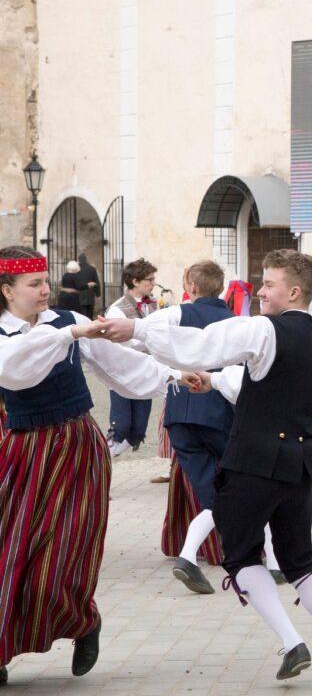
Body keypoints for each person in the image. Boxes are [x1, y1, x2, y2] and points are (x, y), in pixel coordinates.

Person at [98, 250, 312, 688]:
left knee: (239, 557)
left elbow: (203, 342)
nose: (260, 291)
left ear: (293, 291)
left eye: (269, 283)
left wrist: (139, 327)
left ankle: (292, 641)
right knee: (301, 562)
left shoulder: (263, 329)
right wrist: (214, 380)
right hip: (295, 464)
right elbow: (255, 382)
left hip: (252, 463)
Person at [0, 245, 195, 686]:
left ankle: (83, 621)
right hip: (22, 451)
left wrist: (171, 377)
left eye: (47, 281)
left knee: (61, 554)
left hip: (74, 448)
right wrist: (72, 335)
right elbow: (15, 370)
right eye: (35, 284)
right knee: (9, 553)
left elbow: (120, 365)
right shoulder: (23, 334)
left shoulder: (68, 323)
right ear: (7, 290)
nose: (46, 290)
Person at [147, 261, 237, 595]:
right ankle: (268, 561)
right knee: (242, 481)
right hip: (217, 411)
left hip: (179, 414)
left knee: (211, 489)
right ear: (220, 288)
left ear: (192, 286)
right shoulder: (233, 321)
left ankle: (189, 555)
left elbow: (146, 343)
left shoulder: (175, 316)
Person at [104, 258, 160, 457]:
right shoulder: (117, 309)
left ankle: (109, 457)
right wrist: (146, 339)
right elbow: (114, 342)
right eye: (150, 279)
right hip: (123, 371)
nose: (153, 283)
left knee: (138, 428)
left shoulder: (153, 305)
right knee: (121, 426)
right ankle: (101, 458)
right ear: (135, 281)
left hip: (145, 371)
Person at [77, 253, 101, 319]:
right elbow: (96, 281)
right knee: (90, 315)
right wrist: (98, 294)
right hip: (90, 295)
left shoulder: (77, 269)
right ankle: (90, 327)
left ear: (79, 260)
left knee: (81, 315)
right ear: (86, 260)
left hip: (80, 295)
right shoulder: (92, 269)